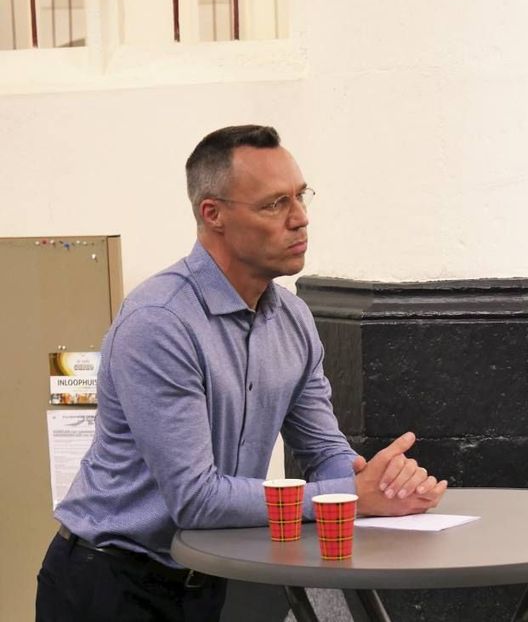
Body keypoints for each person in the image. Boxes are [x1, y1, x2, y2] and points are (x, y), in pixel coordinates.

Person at [36, 125, 448, 621]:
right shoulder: (159, 323)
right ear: (214, 215)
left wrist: (382, 486)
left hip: (209, 581)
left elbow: (324, 449)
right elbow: (197, 499)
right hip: (110, 584)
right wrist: (348, 498)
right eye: (275, 204)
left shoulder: (292, 320)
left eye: (301, 196)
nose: (300, 219)